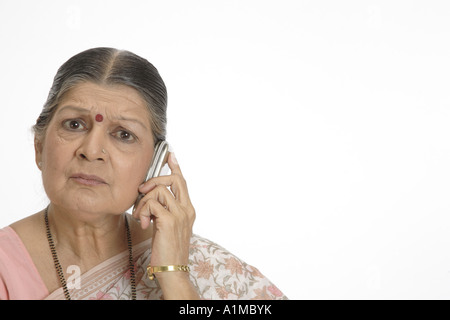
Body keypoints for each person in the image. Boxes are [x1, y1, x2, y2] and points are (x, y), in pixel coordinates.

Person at [0, 47, 287, 300]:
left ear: (154, 162)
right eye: (74, 124)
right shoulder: (5, 265)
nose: (92, 150)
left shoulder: (207, 266)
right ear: (39, 146)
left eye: (123, 134)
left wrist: (174, 274)